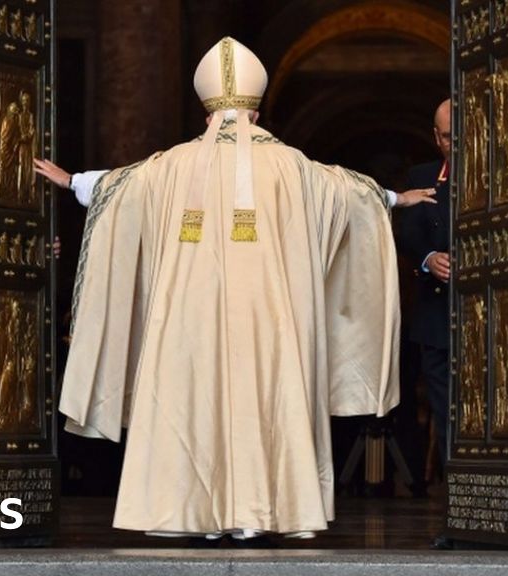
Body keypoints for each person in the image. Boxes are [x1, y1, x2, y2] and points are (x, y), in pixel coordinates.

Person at [35, 37, 435, 540]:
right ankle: (259, 513)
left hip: (187, 324)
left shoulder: (168, 165)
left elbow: (117, 187)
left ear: (206, 114)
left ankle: (183, 513)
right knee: (265, 398)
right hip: (270, 321)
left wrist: (73, 180)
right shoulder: (293, 165)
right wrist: (396, 196)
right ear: (258, 110)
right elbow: (352, 193)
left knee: (190, 399)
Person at [398, 99, 452, 544]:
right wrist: (427, 259)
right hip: (437, 318)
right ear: (436, 137)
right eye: (449, 136)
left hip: (495, 318)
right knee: (446, 412)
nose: (457, 143)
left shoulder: (505, 168)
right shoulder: (421, 178)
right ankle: (460, 513)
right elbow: (407, 237)